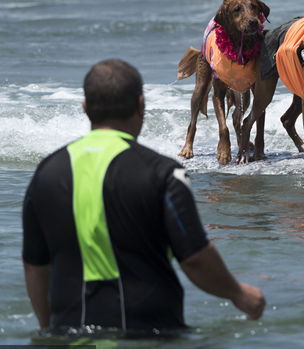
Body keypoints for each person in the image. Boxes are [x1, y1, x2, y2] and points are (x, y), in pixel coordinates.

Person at [22, 59, 265, 333]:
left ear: (86, 109)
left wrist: (46, 325)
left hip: (69, 335)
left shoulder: (46, 173)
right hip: (148, 334)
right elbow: (194, 259)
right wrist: (239, 294)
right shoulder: (163, 173)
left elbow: (34, 265)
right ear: (141, 105)